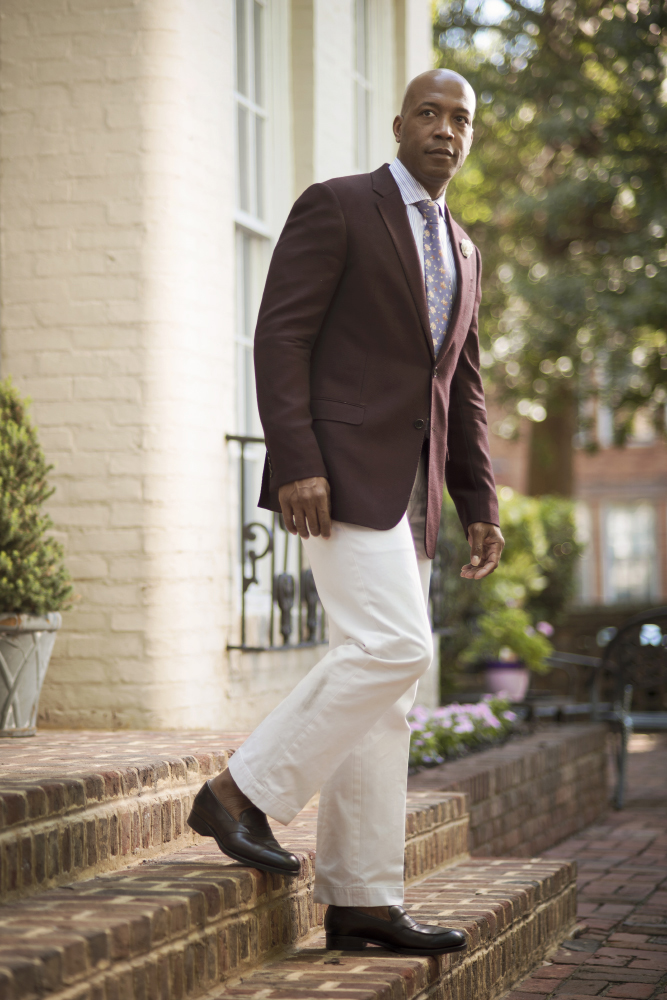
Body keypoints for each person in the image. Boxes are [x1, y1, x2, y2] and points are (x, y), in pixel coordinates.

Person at [188, 68, 504, 956]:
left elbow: (462, 389)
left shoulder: (466, 250)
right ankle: (239, 792)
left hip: (412, 491)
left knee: (390, 695)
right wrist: (295, 460)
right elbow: (280, 335)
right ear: (400, 123)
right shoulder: (336, 206)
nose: (446, 129)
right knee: (392, 647)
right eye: (431, 114)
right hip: (336, 474)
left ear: (470, 138)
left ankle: (362, 897)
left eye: (461, 119)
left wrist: (477, 498)